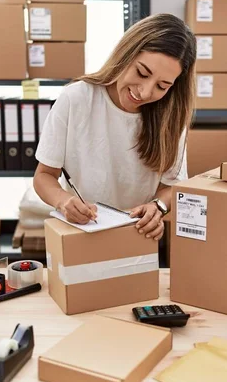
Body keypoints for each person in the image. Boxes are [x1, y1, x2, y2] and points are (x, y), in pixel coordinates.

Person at [33, 13, 196, 242]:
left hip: (137, 237)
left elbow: (172, 186)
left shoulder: (171, 116)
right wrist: (63, 201)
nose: (145, 92)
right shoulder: (76, 98)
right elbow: (44, 176)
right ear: (126, 53)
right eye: (142, 73)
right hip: (81, 234)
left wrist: (157, 207)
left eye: (162, 86)